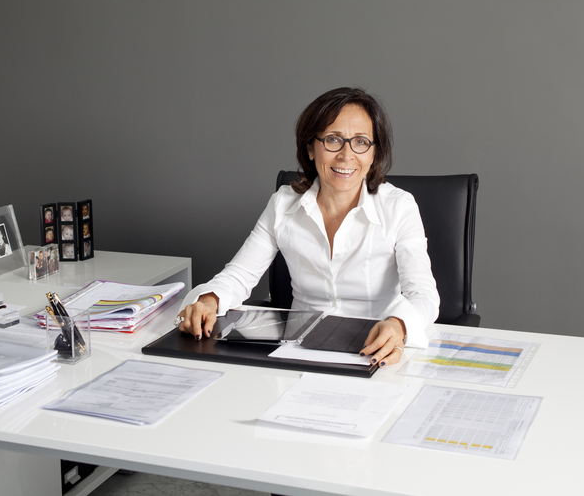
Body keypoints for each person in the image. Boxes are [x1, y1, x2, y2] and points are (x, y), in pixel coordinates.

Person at [176, 87, 439, 367]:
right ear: (310, 148)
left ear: (374, 153)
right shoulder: (283, 205)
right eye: (333, 139)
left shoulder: (399, 207)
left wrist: (398, 325)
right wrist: (208, 300)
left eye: (361, 142)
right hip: (298, 355)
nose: (346, 155)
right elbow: (239, 276)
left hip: (376, 351)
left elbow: (423, 295)